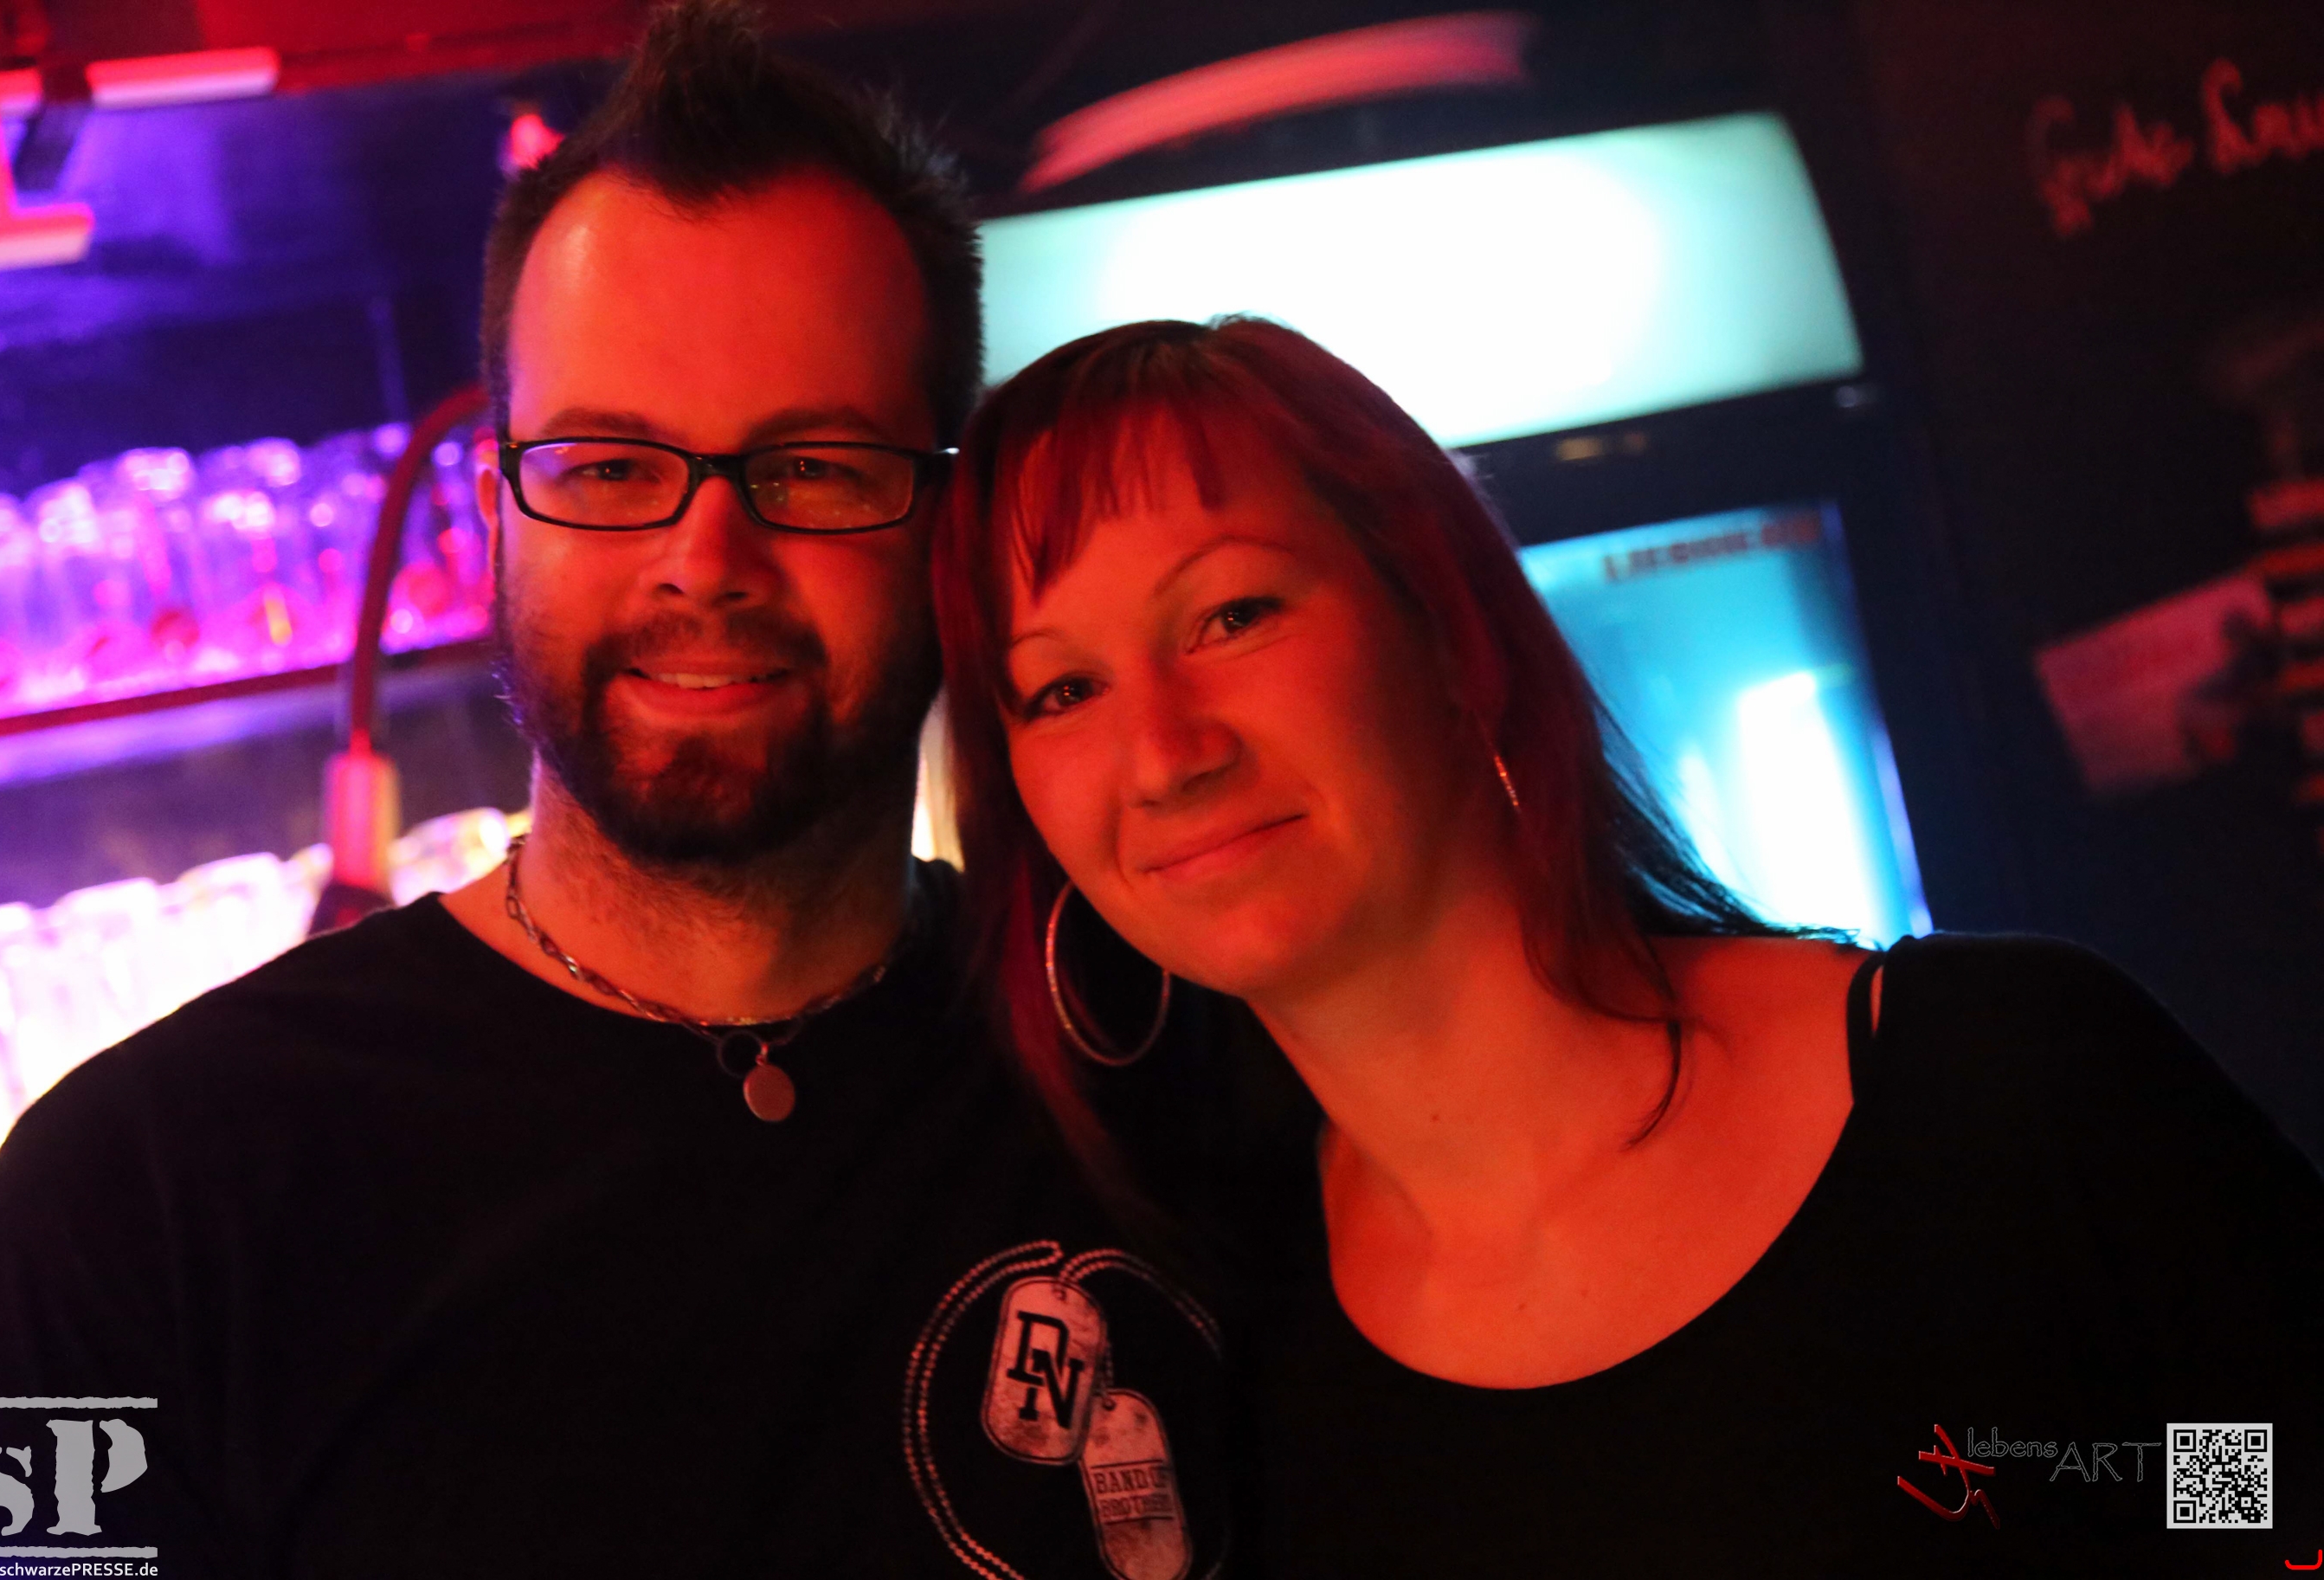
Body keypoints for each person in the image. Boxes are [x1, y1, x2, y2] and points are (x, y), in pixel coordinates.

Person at [0, 10, 1230, 1575]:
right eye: (610, 467)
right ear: (499, 513)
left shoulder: (1168, 1050)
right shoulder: (122, 1205)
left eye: (815, 466)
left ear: (942, 523)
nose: (705, 561)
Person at [930, 315, 2324, 1577]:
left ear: (1448, 627)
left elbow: (2272, 1498)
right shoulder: (1225, 1332)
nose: (1161, 753)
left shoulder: (1995, 1086)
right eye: (1060, 688)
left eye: (1231, 615)